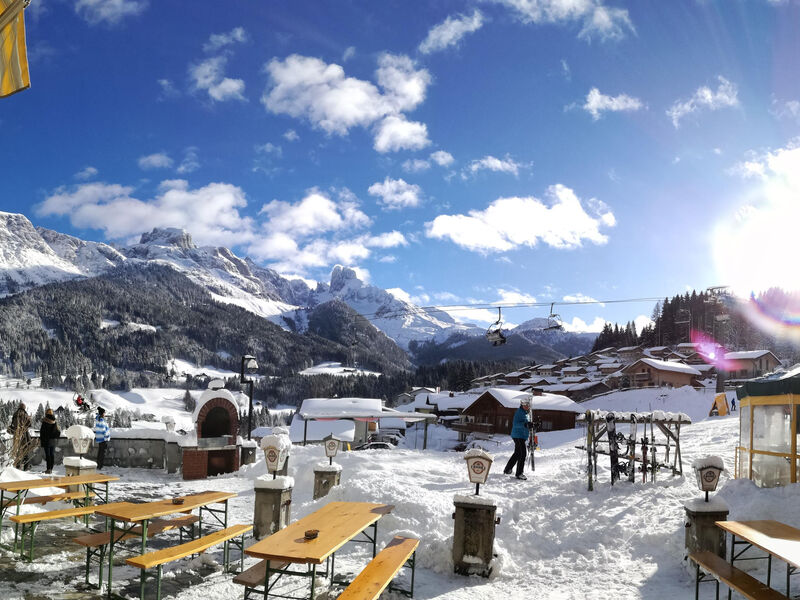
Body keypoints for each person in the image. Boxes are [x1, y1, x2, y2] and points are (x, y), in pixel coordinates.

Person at [503, 396, 532, 480]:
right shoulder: (519, 412)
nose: (526, 406)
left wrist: (532, 425)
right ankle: (519, 473)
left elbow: (526, 423)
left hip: (521, 436)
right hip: (518, 435)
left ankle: (507, 469)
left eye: (527, 405)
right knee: (523, 454)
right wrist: (526, 424)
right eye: (524, 405)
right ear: (521, 405)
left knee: (517, 453)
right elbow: (516, 424)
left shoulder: (526, 413)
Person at [8, 403, 33, 470]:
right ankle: (26, 466)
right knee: (25, 450)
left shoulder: (16, 413)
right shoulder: (25, 414)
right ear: (24, 408)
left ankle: (17, 466)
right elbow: (29, 424)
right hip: (24, 434)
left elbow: (13, 424)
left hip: (17, 434)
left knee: (17, 450)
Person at [39, 408, 61, 474]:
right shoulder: (54, 421)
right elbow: (58, 431)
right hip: (53, 441)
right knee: (52, 455)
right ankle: (51, 468)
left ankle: (48, 469)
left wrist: (42, 439)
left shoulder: (45, 421)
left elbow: (42, 432)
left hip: (47, 441)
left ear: (46, 413)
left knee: (48, 455)